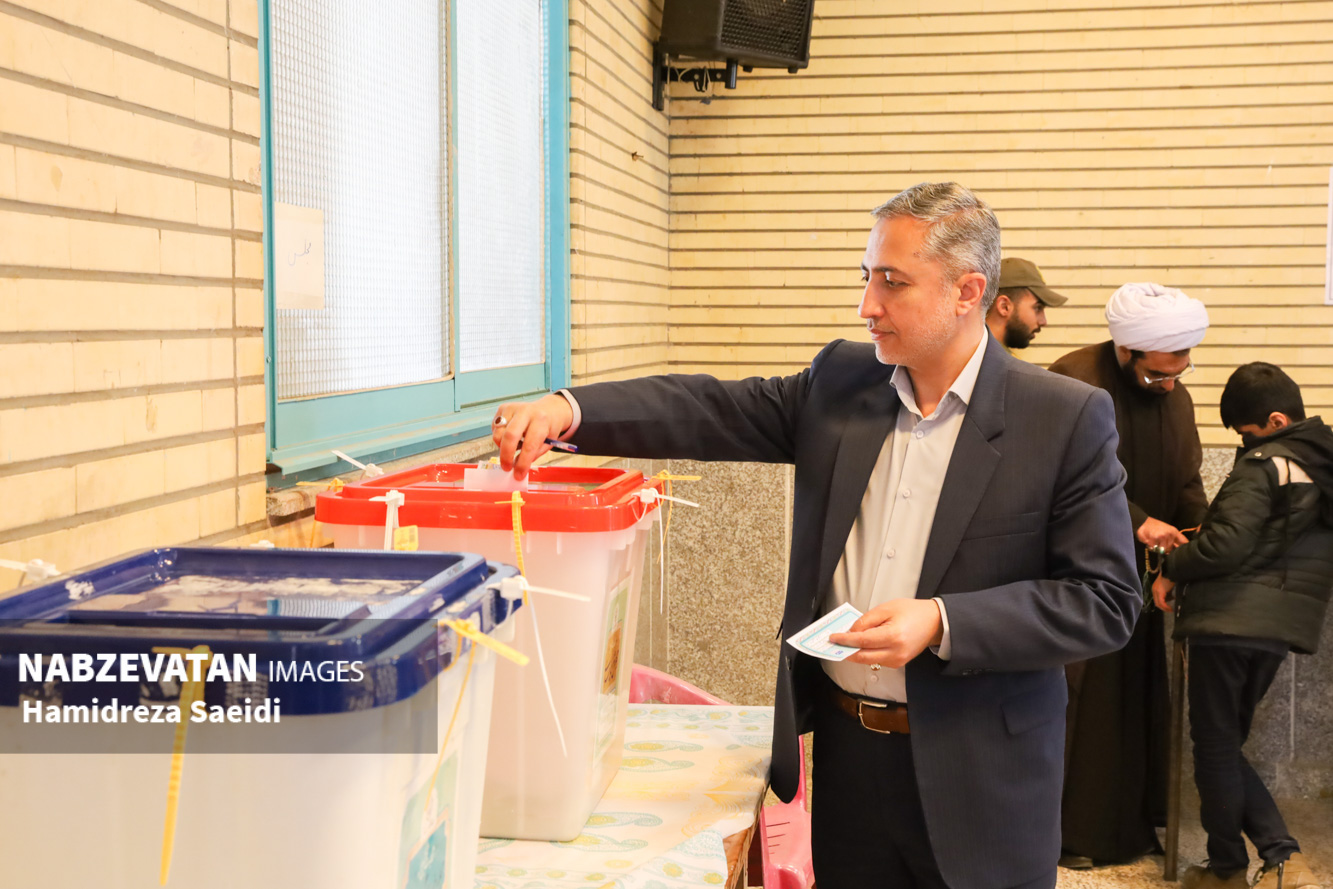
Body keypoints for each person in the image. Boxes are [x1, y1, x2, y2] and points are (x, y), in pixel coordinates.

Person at [492, 182, 1141, 889]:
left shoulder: (1062, 417)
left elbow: (1104, 600)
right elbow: (709, 409)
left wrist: (943, 620)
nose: (867, 305)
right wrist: (570, 409)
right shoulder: (842, 382)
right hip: (847, 759)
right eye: (867, 277)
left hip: (983, 774)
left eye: (892, 282)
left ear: (967, 292)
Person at [1047, 282, 1211, 867]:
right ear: (1126, 350)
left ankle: (1135, 827)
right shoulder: (1073, 380)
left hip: (1143, 580)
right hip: (1080, 573)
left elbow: (1187, 480)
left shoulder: (1174, 394)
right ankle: (1074, 836)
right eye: (1157, 374)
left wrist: (1199, 539)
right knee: (1088, 707)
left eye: (1179, 373)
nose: (1169, 385)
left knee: (1137, 703)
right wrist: (1138, 522)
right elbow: (1059, 478)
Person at [1151, 363, 1333, 889]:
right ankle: (1260, 861)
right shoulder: (1323, 467)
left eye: (1246, 433)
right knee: (1225, 745)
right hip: (1278, 629)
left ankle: (1255, 862)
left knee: (1215, 747)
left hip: (1228, 621)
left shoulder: (1266, 463)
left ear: (1276, 421)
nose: (1243, 444)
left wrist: (1172, 566)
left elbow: (1226, 545)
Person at [985, 257, 1068, 352]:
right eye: (1038, 308)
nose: (1043, 321)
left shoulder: (981, 354)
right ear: (1004, 307)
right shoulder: (993, 359)